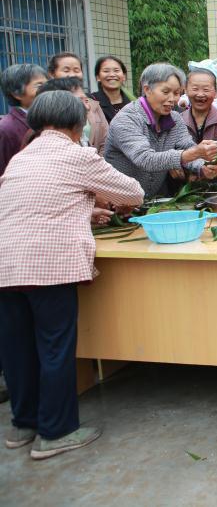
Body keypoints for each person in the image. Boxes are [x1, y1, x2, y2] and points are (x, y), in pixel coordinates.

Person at [0, 90, 144, 460]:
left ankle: (24, 425)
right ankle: (56, 432)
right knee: (54, 347)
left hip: (6, 264)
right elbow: (133, 193)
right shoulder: (76, 155)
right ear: (78, 123)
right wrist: (92, 200)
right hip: (47, 265)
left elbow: (35, 204)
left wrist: (82, 209)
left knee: (18, 349)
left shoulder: (20, 158)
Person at [104, 63, 217, 198]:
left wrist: (203, 167)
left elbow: (187, 146)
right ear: (147, 89)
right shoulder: (127, 119)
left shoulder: (175, 119)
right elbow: (145, 159)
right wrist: (193, 153)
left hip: (153, 200)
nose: (172, 99)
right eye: (166, 92)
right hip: (118, 203)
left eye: (177, 93)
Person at [47, 56, 109, 156]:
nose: (72, 74)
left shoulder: (93, 104)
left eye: (76, 70)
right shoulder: (48, 106)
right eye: (66, 70)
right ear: (52, 74)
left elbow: (105, 141)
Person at [34, 78, 107, 155]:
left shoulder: (79, 136)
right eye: (79, 101)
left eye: (86, 101)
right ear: (56, 106)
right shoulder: (47, 146)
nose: (87, 107)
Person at [0, 64, 47, 176]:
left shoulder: (49, 120)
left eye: (47, 84)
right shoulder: (5, 129)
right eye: (39, 85)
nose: (47, 90)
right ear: (17, 93)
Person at [181, 68, 217, 143]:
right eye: (195, 89)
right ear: (185, 90)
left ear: (216, 93)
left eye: (206, 89)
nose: (200, 94)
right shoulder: (178, 121)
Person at [89, 55, 131, 122]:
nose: (112, 74)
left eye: (116, 70)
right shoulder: (91, 102)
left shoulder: (133, 103)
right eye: (106, 71)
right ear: (98, 77)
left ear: (124, 76)